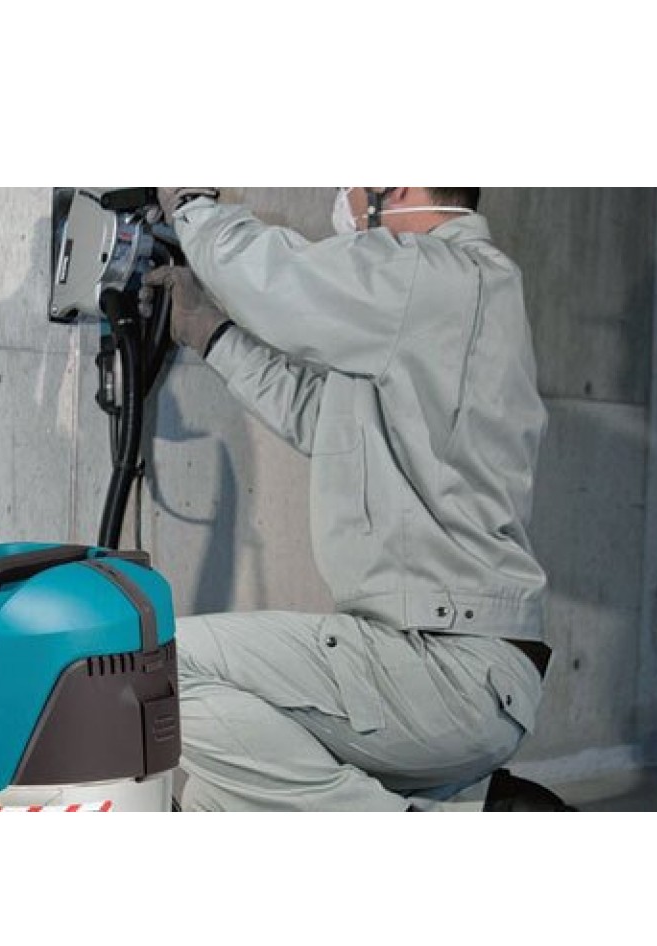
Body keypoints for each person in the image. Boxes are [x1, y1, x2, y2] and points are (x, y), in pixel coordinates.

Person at [143, 187, 556, 812]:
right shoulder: (461, 296)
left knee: (158, 667)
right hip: (460, 663)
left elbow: (277, 281)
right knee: (216, 798)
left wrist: (191, 202)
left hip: (446, 663)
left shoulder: (433, 275)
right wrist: (215, 337)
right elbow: (323, 419)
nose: (346, 195)